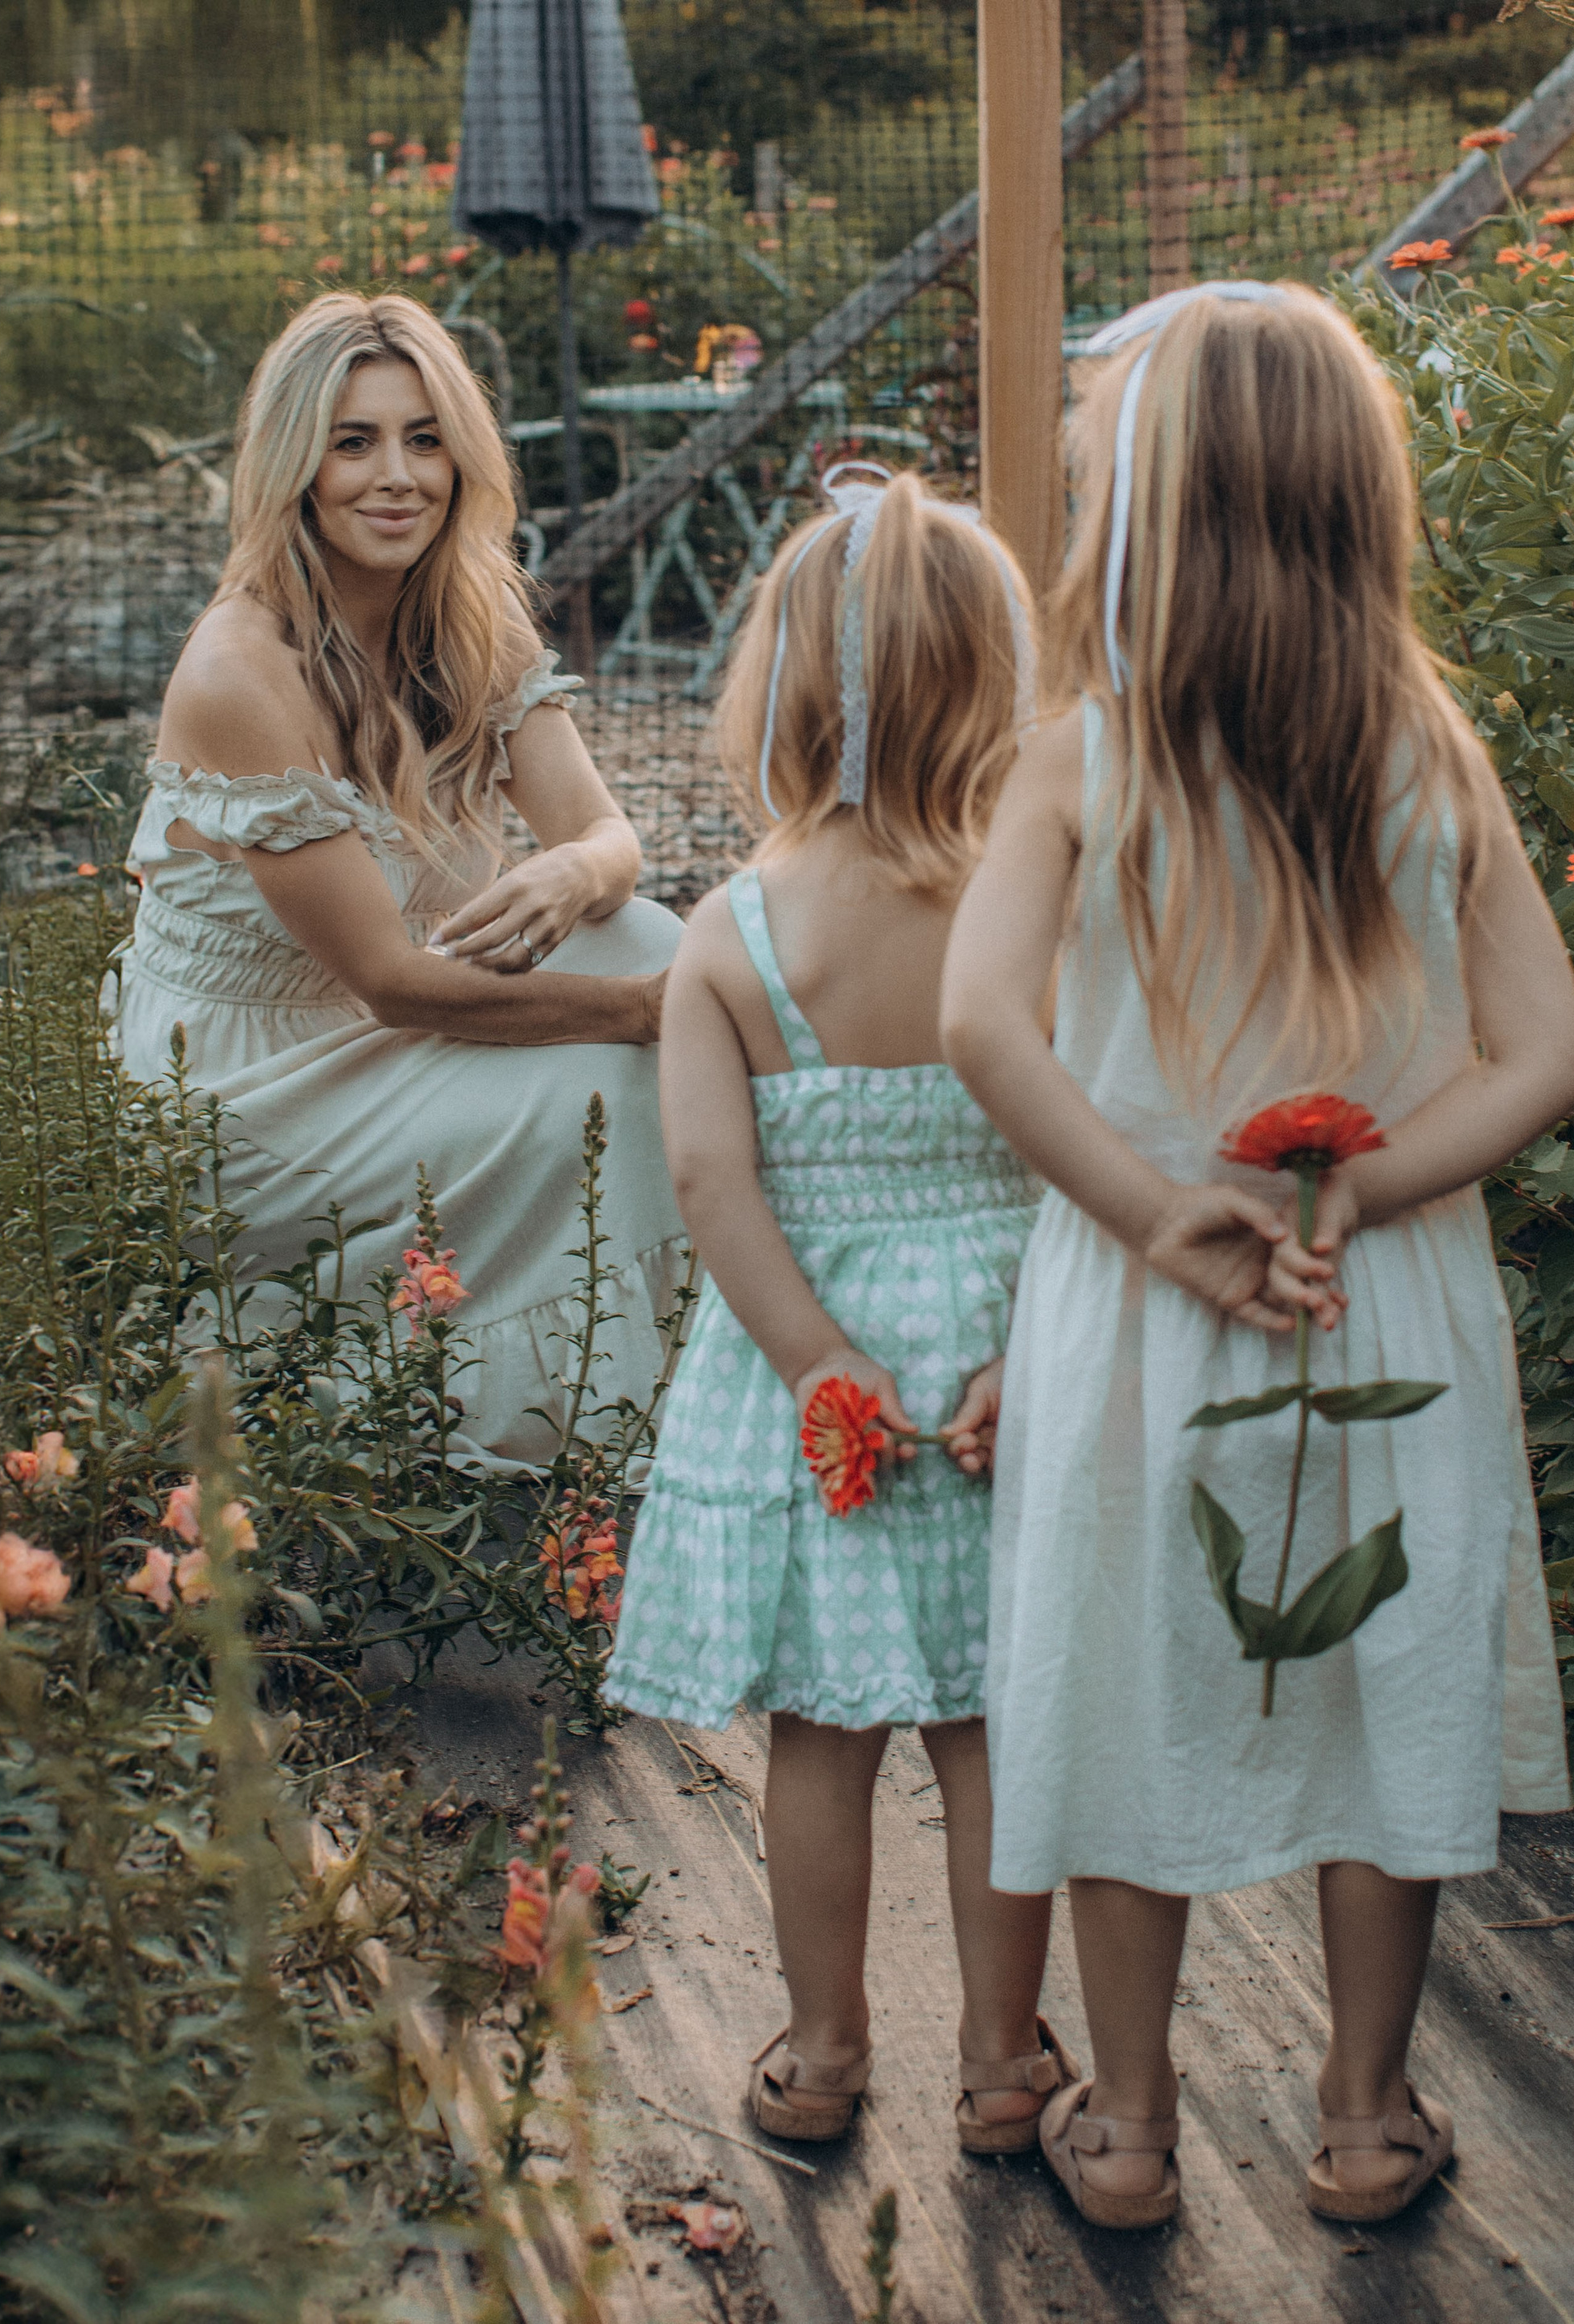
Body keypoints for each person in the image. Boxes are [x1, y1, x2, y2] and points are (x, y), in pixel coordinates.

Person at [942, 283, 1574, 2230]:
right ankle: (1368, 2114)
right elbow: (1545, 1054)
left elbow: (983, 1025)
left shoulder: (1083, 755)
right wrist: (1355, 1195)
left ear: (1142, 502)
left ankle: (1125, 2124)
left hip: (1146, 1299)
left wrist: (1159, 1215)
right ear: (1347, 499)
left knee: (1122, 1681)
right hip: (1372, 1292)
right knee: (1387, 1669)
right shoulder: (1426, 750)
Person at [605, 467, 1073, 2151]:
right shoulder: (1036, 911)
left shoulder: (730, 934)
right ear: (995, 682)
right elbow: (1096, 1143)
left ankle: (815, 2049)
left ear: (784, 688)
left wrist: (820, 1365)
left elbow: (709, 1184)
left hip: (821, 1385)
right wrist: (1033, 1354)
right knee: (989, 1725)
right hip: (1006, 1361)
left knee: (818, 1731)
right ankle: (1006, 2066)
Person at [112, 293, 684, 1465]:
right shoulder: (241, 669)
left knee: (655, 937)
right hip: (248, 1082)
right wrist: (645, 1020)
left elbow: (611, 840)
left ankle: (684, 1388)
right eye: (354, 441)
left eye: (425, 439)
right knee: (626, 1070)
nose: (397, 478)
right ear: (295, 466)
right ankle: (580, 1437)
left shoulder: (471, 620)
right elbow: (391, 982)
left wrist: (575, 871)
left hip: (378, 1030)